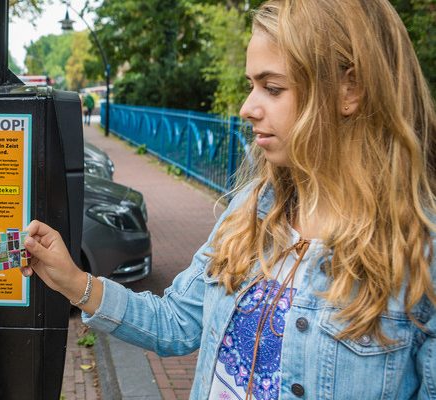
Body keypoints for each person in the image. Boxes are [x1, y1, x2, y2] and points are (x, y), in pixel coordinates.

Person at [22, 0, 436, 398]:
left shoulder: (419, 255)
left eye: (272, 88)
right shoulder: (252, 210)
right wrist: (74, 282)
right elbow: (178, 322)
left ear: (350, 90)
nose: (247, 107)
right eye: (251, 85)